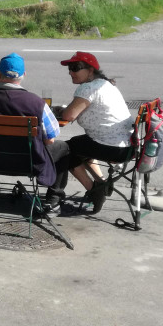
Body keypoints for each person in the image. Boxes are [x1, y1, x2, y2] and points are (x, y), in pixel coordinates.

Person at [0, 53, 70, 210]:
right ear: (23, 75)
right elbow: (50, 139)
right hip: (29, 163)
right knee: (63, 147)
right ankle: (53, 198)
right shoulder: (37, 103)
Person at [55, 51, 133, 212]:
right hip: (127, 147)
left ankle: (94, 190)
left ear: (90, 70)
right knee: (80, 144)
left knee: (64, 150)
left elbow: (69, 115)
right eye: (69, 68)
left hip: (111, 147)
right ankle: (101, 181)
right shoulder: (106, 85)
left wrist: (59, 111)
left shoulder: (87, 88)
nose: (71, 72)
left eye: (75, 68)